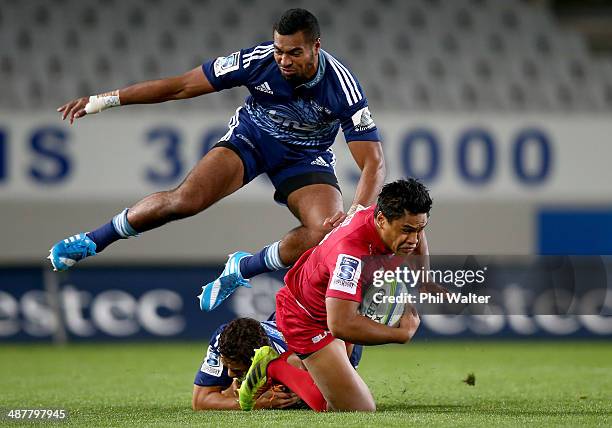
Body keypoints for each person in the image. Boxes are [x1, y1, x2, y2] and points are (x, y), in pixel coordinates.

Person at [47, 8, 385, 312]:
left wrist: (356, 214)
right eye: (280, 51)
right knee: (184, 201)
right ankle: (93, 241)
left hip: (305, 158)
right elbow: (179, 87)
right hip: (252, 139)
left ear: (316, 46)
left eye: (295, 53)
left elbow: (374, 162)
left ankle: (242, 268)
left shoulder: (343, 87)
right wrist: (103, 100)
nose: (284, 61)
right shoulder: (257, 60)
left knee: (325, 232)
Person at [238, 178, 431, 412]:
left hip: (340, 300)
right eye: (407, 231)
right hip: (307, 318)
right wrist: (400, 334)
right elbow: (341, 324)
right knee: (357, 409)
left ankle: (299, 363)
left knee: (334, 398)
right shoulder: (349, 254)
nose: (413, 239)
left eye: (419, 229)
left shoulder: (390, 214)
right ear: (381, 220)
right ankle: (275, 365)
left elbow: (417, 237)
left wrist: (424, 280)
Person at [193, 316, 362, 411]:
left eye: (236, 370)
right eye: (226, 366)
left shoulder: (298, 359)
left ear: (257, 363)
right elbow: (201, 401)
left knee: (339, 402)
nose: (228, 374)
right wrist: (257, 403)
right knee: (233, 390)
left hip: (325, 338)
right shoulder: (223, 339)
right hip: (282, 323)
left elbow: (326, 401)